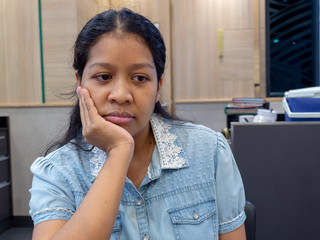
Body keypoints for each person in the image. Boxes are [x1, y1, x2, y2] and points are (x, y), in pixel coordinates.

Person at [29, 8, 246, 240]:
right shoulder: (58, 173)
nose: (121, 95)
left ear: (158, 88)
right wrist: (119, 150)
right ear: (79, 82)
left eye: (140, 78)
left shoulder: (209, 151)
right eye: (103, 76)